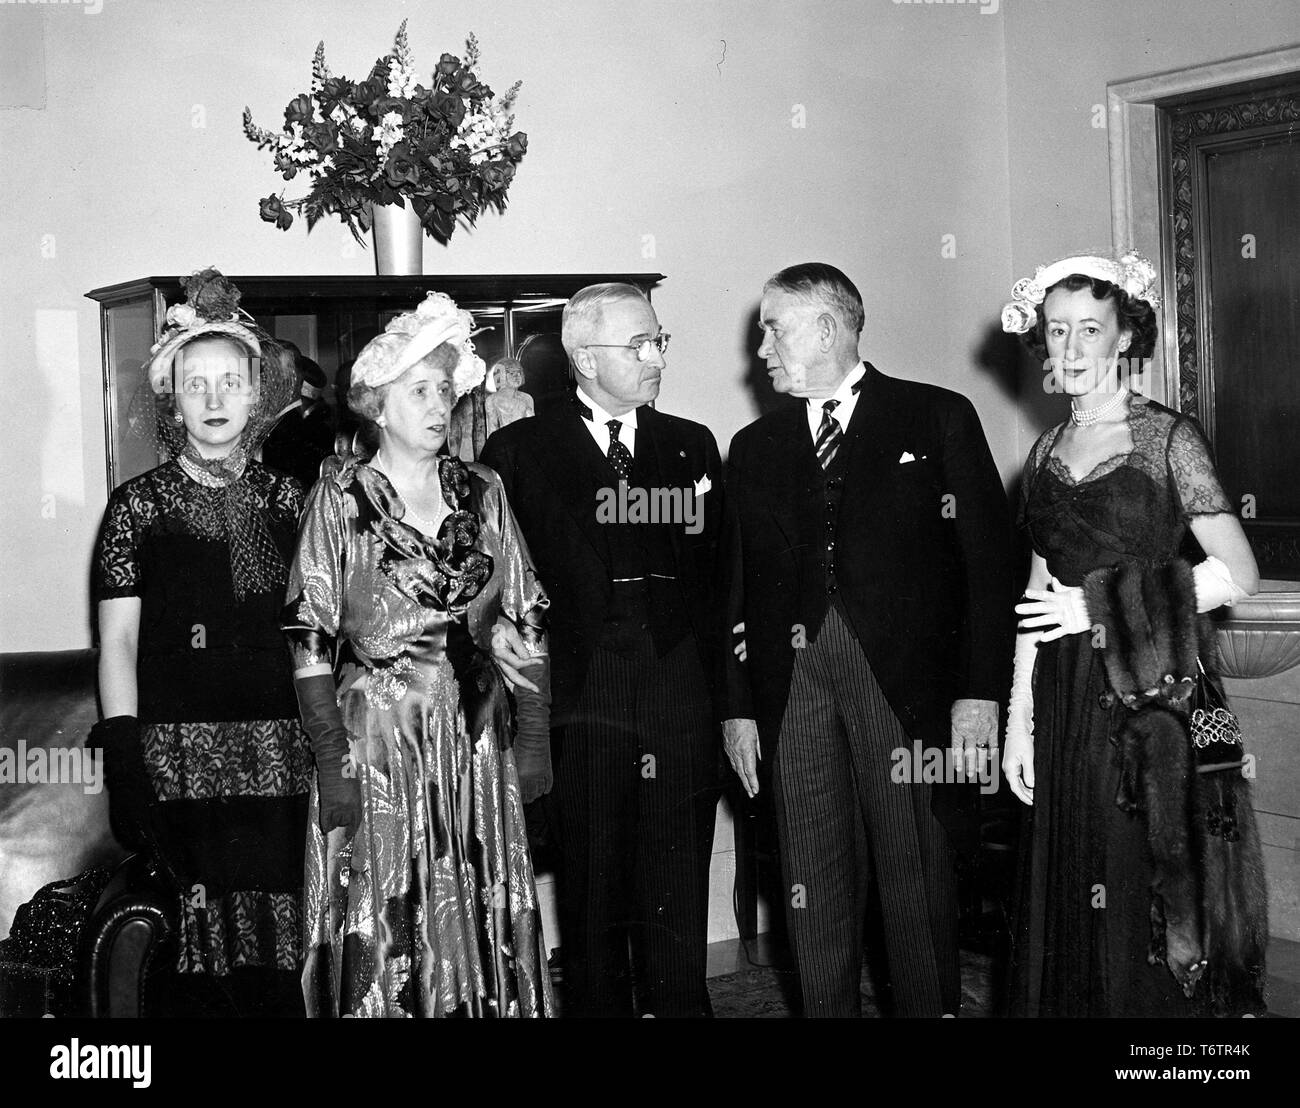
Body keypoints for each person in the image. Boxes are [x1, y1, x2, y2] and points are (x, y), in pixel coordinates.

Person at [720, 262, 1014, 1017]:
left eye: (774, 328)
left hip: (906, 690)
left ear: (826, 327)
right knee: (811, 882)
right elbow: (733, 590)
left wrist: (980, 695)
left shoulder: (936, 416)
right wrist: (738, 709)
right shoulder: (752, 447)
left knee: (914, 878)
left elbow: (990, 568)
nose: (762, 349)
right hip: (793, 690)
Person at [999, 251, 1264, 1017]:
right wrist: (1021, 720)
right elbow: (1038, 594)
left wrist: (1100, 609)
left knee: (1144, 889)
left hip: (1150, 695)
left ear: (1124, 339)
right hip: (1065, 696)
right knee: (1069, 881)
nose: (1072, 350)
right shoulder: (1045, 453)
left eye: (1090, 330)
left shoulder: (1168, 439)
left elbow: (1237, 572)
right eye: (1058, 332)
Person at [282, 290, 555, 1018]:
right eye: (418, 391)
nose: (439, 405)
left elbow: (526, 614)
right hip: (374, 744)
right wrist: (331, 755)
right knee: (385, 916)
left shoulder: (484, 490)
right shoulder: (339, 498)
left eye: (444, 390)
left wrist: (532, 737)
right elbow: (309, 631)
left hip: (473, 740)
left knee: (477, 908)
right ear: (376, 402)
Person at [480, 282, 724, 1018]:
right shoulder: (517, 449)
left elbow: (716, 572)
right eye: (638, 345)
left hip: (678, 681)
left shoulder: (690, 444)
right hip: (583, 689)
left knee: (679, 873)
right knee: (592, 881)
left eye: (660, 342)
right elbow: (493, 576)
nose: (656, 358)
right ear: (584, 357)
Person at [91, 268, 310, 1017]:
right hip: (178, 758)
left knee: (284, 960)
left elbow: (328, 630)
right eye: (195, 385)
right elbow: (116, 644)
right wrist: (124, 753)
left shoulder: (294, 501)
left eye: (231, 382)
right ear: (171, 400)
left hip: (285, 754)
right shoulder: (136, 508)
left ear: (258, 395)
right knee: (197, 963)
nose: (215, 400)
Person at [262, 341, 336, 490]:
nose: (261, 380)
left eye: (268, 371)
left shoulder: (300, 434)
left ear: (294, 377)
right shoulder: (264, 424)